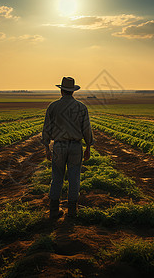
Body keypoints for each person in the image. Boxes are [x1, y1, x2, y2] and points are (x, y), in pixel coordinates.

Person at [41, 76, 94, 219]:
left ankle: (53, 211)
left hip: (58, 146)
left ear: (61, 91)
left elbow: (46, 128)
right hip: (76, 147)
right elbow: (87, 129)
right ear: (73, 91)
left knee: (57, 177)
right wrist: (88, 146)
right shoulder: (81, 107)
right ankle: (72, 212)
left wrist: (46, 147)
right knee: (74, 177)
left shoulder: (53, 107)